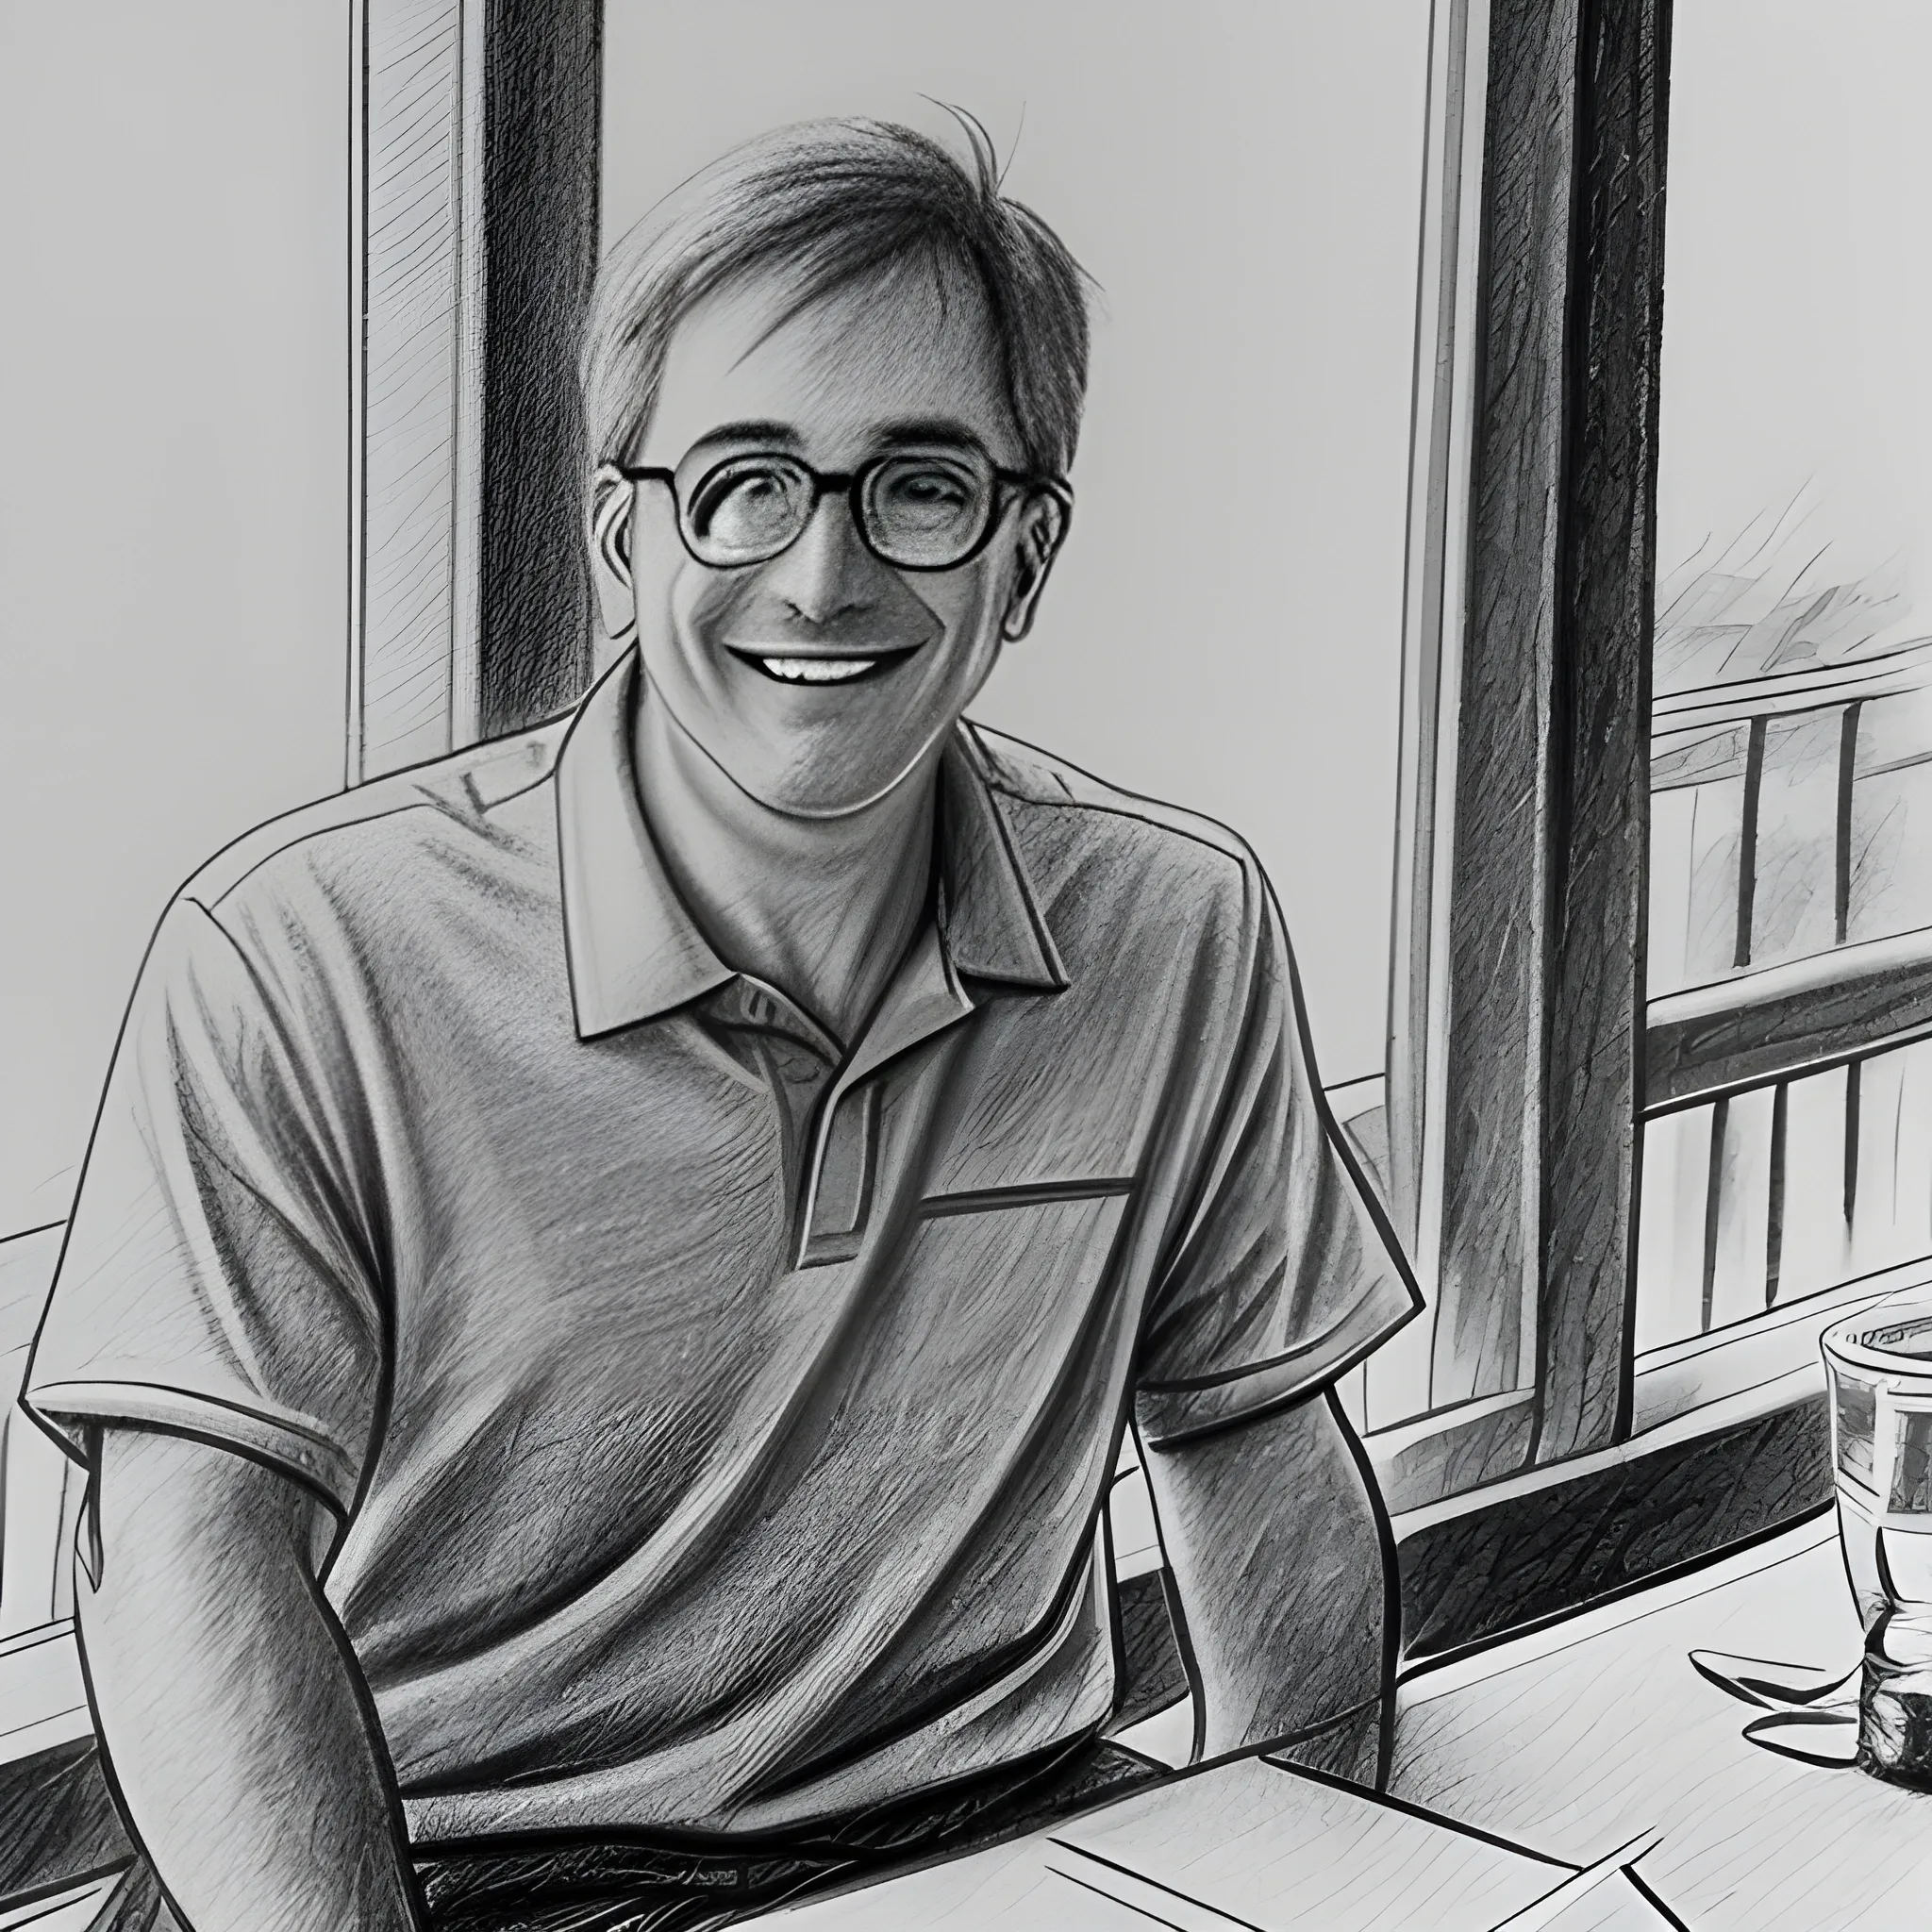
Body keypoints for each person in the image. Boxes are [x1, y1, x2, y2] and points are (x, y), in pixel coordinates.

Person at [24, 116, 1420, 1932]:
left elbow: (1260, 1460)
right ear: (627, 534)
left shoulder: (1175, 925)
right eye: (745, 482)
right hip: (444, 1875)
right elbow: (183, 1567)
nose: (823, 578)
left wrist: (1308, 1894)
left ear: (1028, 550)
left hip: (985, 1839)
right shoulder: (301, 954)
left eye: (919, 485)